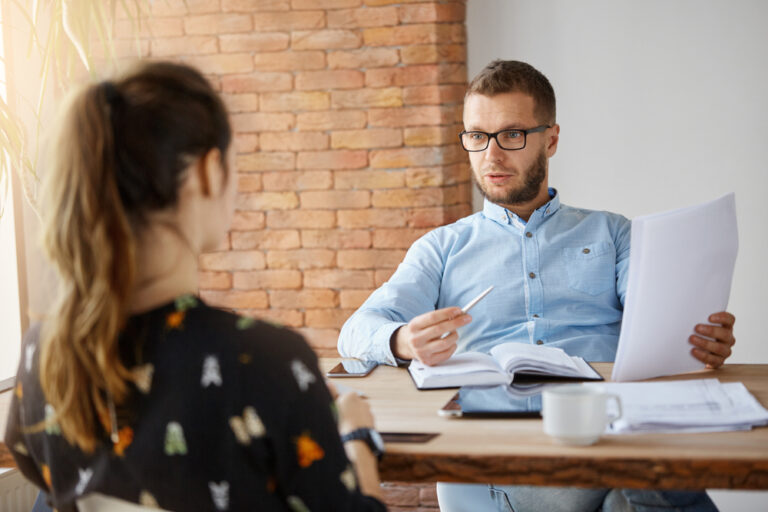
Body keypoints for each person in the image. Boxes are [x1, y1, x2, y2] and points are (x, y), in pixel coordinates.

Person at [338, 60, 735, 512]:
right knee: (646, 487)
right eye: (476, 136)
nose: (491, 155)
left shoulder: (613, 233)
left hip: (608, 425)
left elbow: (657, 324)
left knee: (637, 486)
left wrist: (697, 339)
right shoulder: (441, 248)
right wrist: (403, 338)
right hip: (511, 451)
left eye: (511, 134)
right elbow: (356, 331)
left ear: (551, 139)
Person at [4, 62, 386, 512]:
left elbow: (45, 480)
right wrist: (357, 437)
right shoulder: (268, 362)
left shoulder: (42, 353)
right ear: (208, 171)